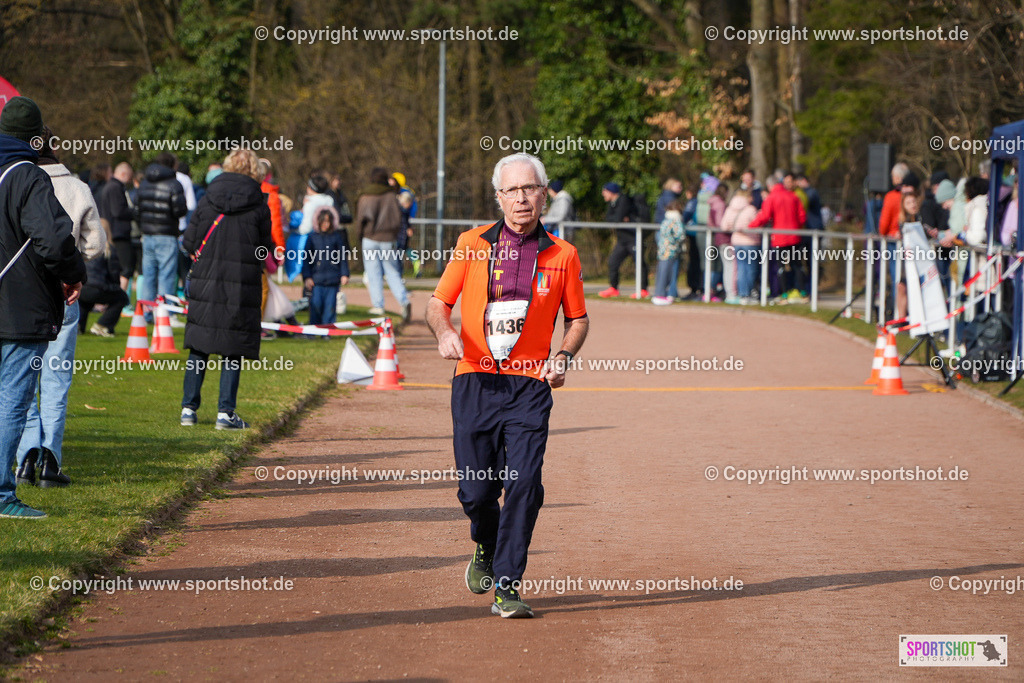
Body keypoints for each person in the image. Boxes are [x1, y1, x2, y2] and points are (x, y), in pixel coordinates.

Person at [425, 152, 589, 618]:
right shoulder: (471, 244)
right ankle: (485, 541)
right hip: (474, 379)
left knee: (523, 485)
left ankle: (508, 585)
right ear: (498, 197)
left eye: (530, 189)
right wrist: (445, 331)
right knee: (476, 492)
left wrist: (563, 356)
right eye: (512, 191)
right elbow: (437, 303)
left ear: (544, 194)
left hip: (530, 387)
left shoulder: (563, 255)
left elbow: (577, 319)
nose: (522, 199)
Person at [0, 97, 86, 518]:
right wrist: (73, 273)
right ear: (36, 137)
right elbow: (53, 239)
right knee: (12, 403)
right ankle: (2, 496)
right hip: (20, 307)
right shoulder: (28, 176)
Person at [15, 127, 105, 490]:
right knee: (56, 377)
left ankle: (27, 453)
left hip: (24, 291)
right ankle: (51, 456)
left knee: (22, 376)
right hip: (65, 289)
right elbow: (96, 245)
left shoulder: (18, 183)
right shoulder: (78, 188)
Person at [180, 148, 272, 430]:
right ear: (255, 170)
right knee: (233, 348)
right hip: (240, 283)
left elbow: (189, 242)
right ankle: (225, 412)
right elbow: (263, 249)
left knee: (199, 345)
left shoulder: (208, 199)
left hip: (207, 278)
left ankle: (188, 409)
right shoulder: (259, 204)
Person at [136, 152, 187, 323]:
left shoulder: (144, 183)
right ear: (172, 165)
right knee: (167, 275)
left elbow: (137, 209)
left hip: (148, 234)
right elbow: (180, 210)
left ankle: (146, 313)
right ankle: (165, 315)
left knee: (149, 274)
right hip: (166, 234)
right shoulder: (174, 184)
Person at [357, 166, 411, 321]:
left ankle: (378, 305)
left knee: (373, 274)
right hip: (388, 239)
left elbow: (361, 219)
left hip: (370, 238)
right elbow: (399, 219)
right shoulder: (392, 196)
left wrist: (360, 235)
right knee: (392, 272)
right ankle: (404, 300)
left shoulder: (366, 195)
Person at [748, 174, 806, 298]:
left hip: (780, 238)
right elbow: (802, 217)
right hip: (795, 236)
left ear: (770, 186)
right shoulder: (793, 196)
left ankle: (784, 293)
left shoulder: (771, 197)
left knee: (781, 266)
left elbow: (764, 216)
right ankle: (802, 291)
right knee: (797, 265)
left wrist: (751, 226)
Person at [79, 223, 129, 338]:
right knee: (121, 298)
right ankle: (103, 325)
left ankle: (79, 325)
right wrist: (115, 287)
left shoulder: (83, 246)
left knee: (85, 300)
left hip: (83, 286)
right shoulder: (109, 249)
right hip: (98, 287)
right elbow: (114, 274)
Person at [303, 206, 350, 325]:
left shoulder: (336, 237)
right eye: (323, 221)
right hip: (316, 280)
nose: (326, 224)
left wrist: (344, 274)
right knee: (316, 306)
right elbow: (306, 259)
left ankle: (327, 332)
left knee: (330, 308)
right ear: (318, 222)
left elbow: (342, 257)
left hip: (332, 280)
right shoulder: (312, 238)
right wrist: (307, 277)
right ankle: (312, 330)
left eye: (328, 221)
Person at [598, 182, 647, 298]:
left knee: (639, 263)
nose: (603, 194)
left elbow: (617, 218)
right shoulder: (612, 203)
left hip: (633, 238)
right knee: (613, 262)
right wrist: (618, 219)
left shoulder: (624, 200)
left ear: (611, 191)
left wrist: (619, 219)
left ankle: (643, 289)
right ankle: (614, 288)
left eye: (605, 191)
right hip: (622, 240)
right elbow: (609, 219)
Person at [98, 162, 135, 293]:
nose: (130, 180)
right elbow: (118, 211)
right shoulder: (115, 187)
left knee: (116, 268)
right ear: (124, 174)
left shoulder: (109, 186)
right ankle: (121, 298)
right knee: (126, 268)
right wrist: (135, 212)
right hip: (118, 233)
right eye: (129, 177)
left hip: (112, 232)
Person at [724, 188, 760, 302]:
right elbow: (756, 225)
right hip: (750, 242)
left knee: (741, 269)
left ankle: (742, 293)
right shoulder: (751, 209)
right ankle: (747, 294)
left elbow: (724, 225)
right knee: (751, 269)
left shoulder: (730, 208)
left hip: (736, 242)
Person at [651, 200, 685, 305]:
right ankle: (661, 295)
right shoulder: (676, 221)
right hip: (671, 250)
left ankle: (658, 293)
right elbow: (680, 235)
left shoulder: (665, 220)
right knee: (667, 273)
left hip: (662, 250)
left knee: (661, 272)